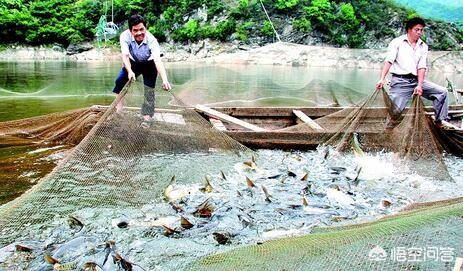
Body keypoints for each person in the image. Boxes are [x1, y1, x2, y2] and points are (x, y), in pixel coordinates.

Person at [376, 17, 449, 129]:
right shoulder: (397, 42)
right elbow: (389, 61)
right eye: (417, 29)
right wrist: (382, 79)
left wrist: (419, 85)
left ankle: (439, 121)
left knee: (442, 93)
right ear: (409, 29)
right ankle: (387, 132)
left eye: (421, 30)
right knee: (395, 112)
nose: (419, 32)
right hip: (400, 81)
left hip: (416, 80)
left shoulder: (423, 46)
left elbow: (421, 67)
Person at [112, 14, 172, 126]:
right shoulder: (124, 36)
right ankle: (119, 111)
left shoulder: (152, 40)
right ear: (130, 31)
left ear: (146, 28)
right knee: (119, 81)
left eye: (141, 29)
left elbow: (158, 61)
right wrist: (130, 71)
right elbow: (125, 56)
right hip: (133, 62)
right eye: (135, 30)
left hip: (149, 64)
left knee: (149, 90)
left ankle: (147, 117)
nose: (139, 33)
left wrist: (165, 80)